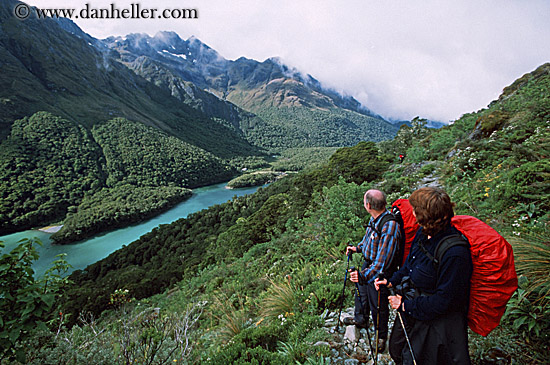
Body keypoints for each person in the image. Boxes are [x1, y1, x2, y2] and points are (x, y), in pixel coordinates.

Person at [374, 187, 473, 364]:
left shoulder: (455, 253)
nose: (411, 212)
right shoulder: (423, 233)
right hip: (414, 304)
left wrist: (404, 305)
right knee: (396, 350)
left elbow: (445, 300)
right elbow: (410, 264)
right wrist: (390, 281)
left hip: (436, 321)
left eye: (415, 209)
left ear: (425, 216)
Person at [345, 189, 401, 353]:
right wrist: (357, 248)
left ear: (368, 205)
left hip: (379, 273)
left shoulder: (390, 226)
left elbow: (382, 263)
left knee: (378, 305)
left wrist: (363, 276)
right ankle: (360, 319)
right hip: (369, 265)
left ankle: (380, 336)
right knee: (361, 295)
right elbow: (368, 240)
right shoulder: (375, 218)